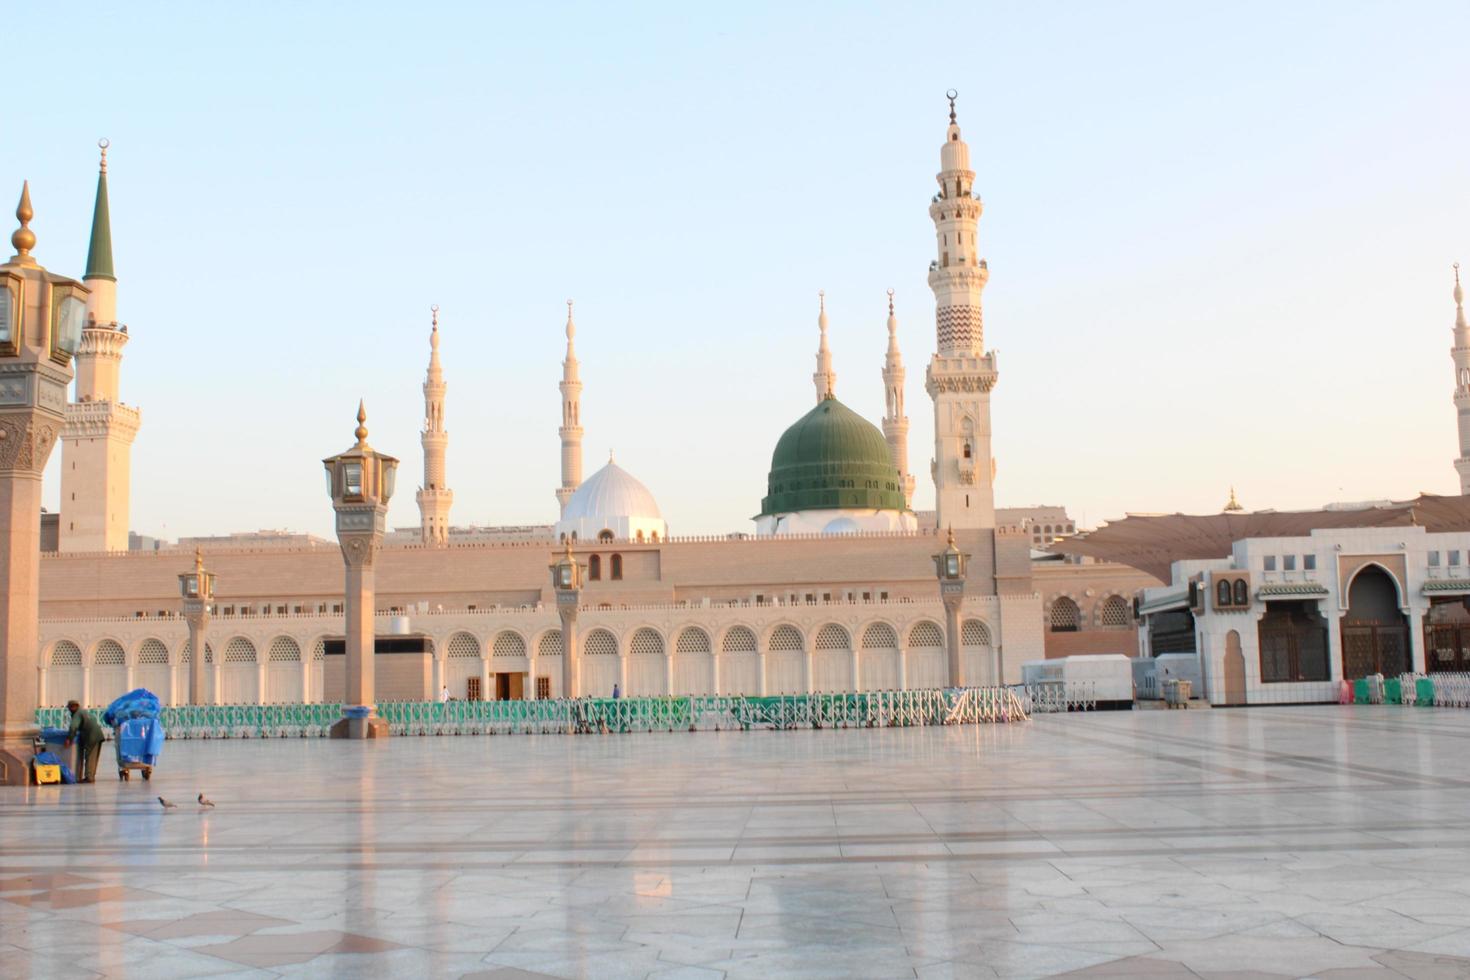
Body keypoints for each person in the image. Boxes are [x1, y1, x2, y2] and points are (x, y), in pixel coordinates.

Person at [64, 700, 104, 784]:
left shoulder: (77, 714)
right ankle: (91, 776)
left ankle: (89, 777)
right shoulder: (84, 712)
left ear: (73, 707)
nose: (69, 710)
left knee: (90, 756)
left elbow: (73, 726)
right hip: (98, 735)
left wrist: (69, 739)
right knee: (93, 757)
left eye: (69, 708)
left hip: (92, 736)